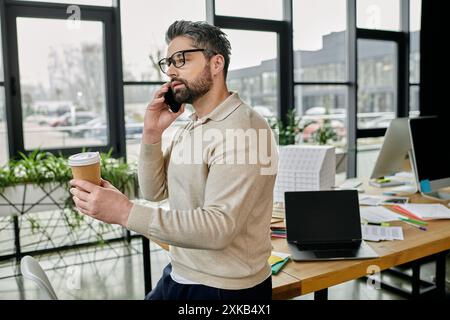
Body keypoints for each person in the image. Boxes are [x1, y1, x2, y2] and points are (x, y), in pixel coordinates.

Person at [69, 20, 278, 300]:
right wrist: (152, 134)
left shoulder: (245, 130)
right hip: (180, 272)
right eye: (168, 61)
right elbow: (154, 191)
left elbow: (218, 228)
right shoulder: (194, 124)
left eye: (181, 59)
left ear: (216, 63)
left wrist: (123, 212)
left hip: (224, 289)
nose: (170, 70)